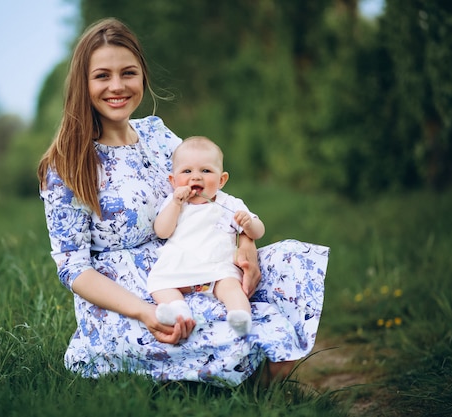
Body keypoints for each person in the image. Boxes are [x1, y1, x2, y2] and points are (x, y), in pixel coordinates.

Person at [37, 17, 329, 386]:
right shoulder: (67, 164)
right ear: (83, 82)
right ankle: (237, 383)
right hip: (130, 295)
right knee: (215, 331)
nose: (117, 86)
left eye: (128, 73)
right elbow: (73, 268)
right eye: (102, 76)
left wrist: (247, 245)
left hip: (196, 257)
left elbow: (212, 193)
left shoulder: (157, 135)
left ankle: (255, 375)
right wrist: (145, 312)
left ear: (142, 76)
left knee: (288, 263)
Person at [148, 136, 265, 337]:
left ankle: (240, 316)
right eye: (187, 171)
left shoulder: (229, 203)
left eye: (206, 171)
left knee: (231, 287)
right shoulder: (175, 203)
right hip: (179, 267)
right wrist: (176, 203)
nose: (196, 177)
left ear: (222, 180)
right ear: (173, 180)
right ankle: (177, 310)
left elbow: (259, 231)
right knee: (159, 284)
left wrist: (249, 224)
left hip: (216, 267)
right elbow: (162, 231)